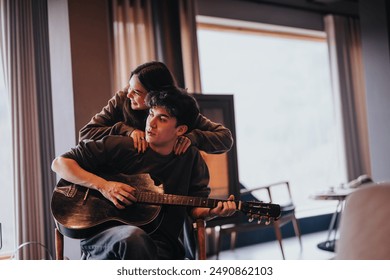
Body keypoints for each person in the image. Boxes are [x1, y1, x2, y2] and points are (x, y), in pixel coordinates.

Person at [51, 88, 237, 260]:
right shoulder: (124, 146)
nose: (151, 123)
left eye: (162, 119)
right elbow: (60, 163)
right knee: (135, 238)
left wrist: (212, 211)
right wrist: (104, 186)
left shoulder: (191, 159)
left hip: (161, 245)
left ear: (180, 130)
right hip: (105, 239)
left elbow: (194, 207)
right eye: (151, 114)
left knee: (142, 242)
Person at [79, 61, 233, 155]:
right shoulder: (121, 99)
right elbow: (85, 134)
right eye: (129, 87)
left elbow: (225, 138)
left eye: (137, 92)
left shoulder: (177, 108)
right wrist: (126, 130)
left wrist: (194, 138)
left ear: (156, 95)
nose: (129, 95)